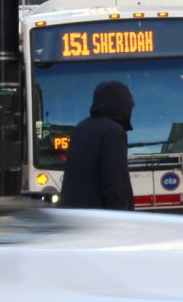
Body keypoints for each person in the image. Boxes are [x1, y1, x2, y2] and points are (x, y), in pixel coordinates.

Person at [58, 80, 135, 211]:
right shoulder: (113, 132)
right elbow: (115, 182)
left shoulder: (81, 128)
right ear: (121, 105)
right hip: (101, 219)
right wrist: (122, 219)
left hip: (76, 216)